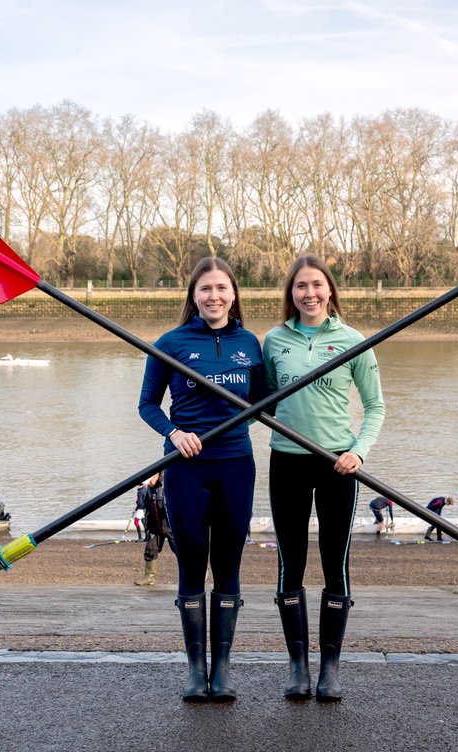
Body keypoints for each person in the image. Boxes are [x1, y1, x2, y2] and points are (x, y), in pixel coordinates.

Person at [138, 256, 266, 703]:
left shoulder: (250, 343)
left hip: (236, 466)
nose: (215, 296)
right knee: (192, 563)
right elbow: (148, 406)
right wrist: (174, 433)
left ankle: (223, 668)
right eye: (206, 289)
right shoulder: (170, 343)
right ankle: (196, 670)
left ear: (234, 295)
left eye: (222, 289)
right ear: (193, 296)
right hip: (186, 467)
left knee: (228, 565)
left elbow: (267, 403)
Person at [263, 254, 385, 702]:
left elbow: (375, 407)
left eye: (317, 285)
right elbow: (268, 402)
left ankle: (330, 666)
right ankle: (298, 664)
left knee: (336, 563)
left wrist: (358, 452)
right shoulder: (273, 340)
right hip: (288, 462)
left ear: (330, 290)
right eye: (300, 286)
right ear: (290, 294)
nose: (309, 293)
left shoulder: (354, 341)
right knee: (289, 563)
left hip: (337, 464)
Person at [133, 472, 171, 587]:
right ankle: (149, 578)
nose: (151, 479)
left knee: (182, 552)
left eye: (154, 476)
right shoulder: (148, 490)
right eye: (150, 476)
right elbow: (146, 509)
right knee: (150, 550)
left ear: (159, 476)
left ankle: (196, 576)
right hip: (156, 527)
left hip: (170, 527)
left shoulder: (166, 488)